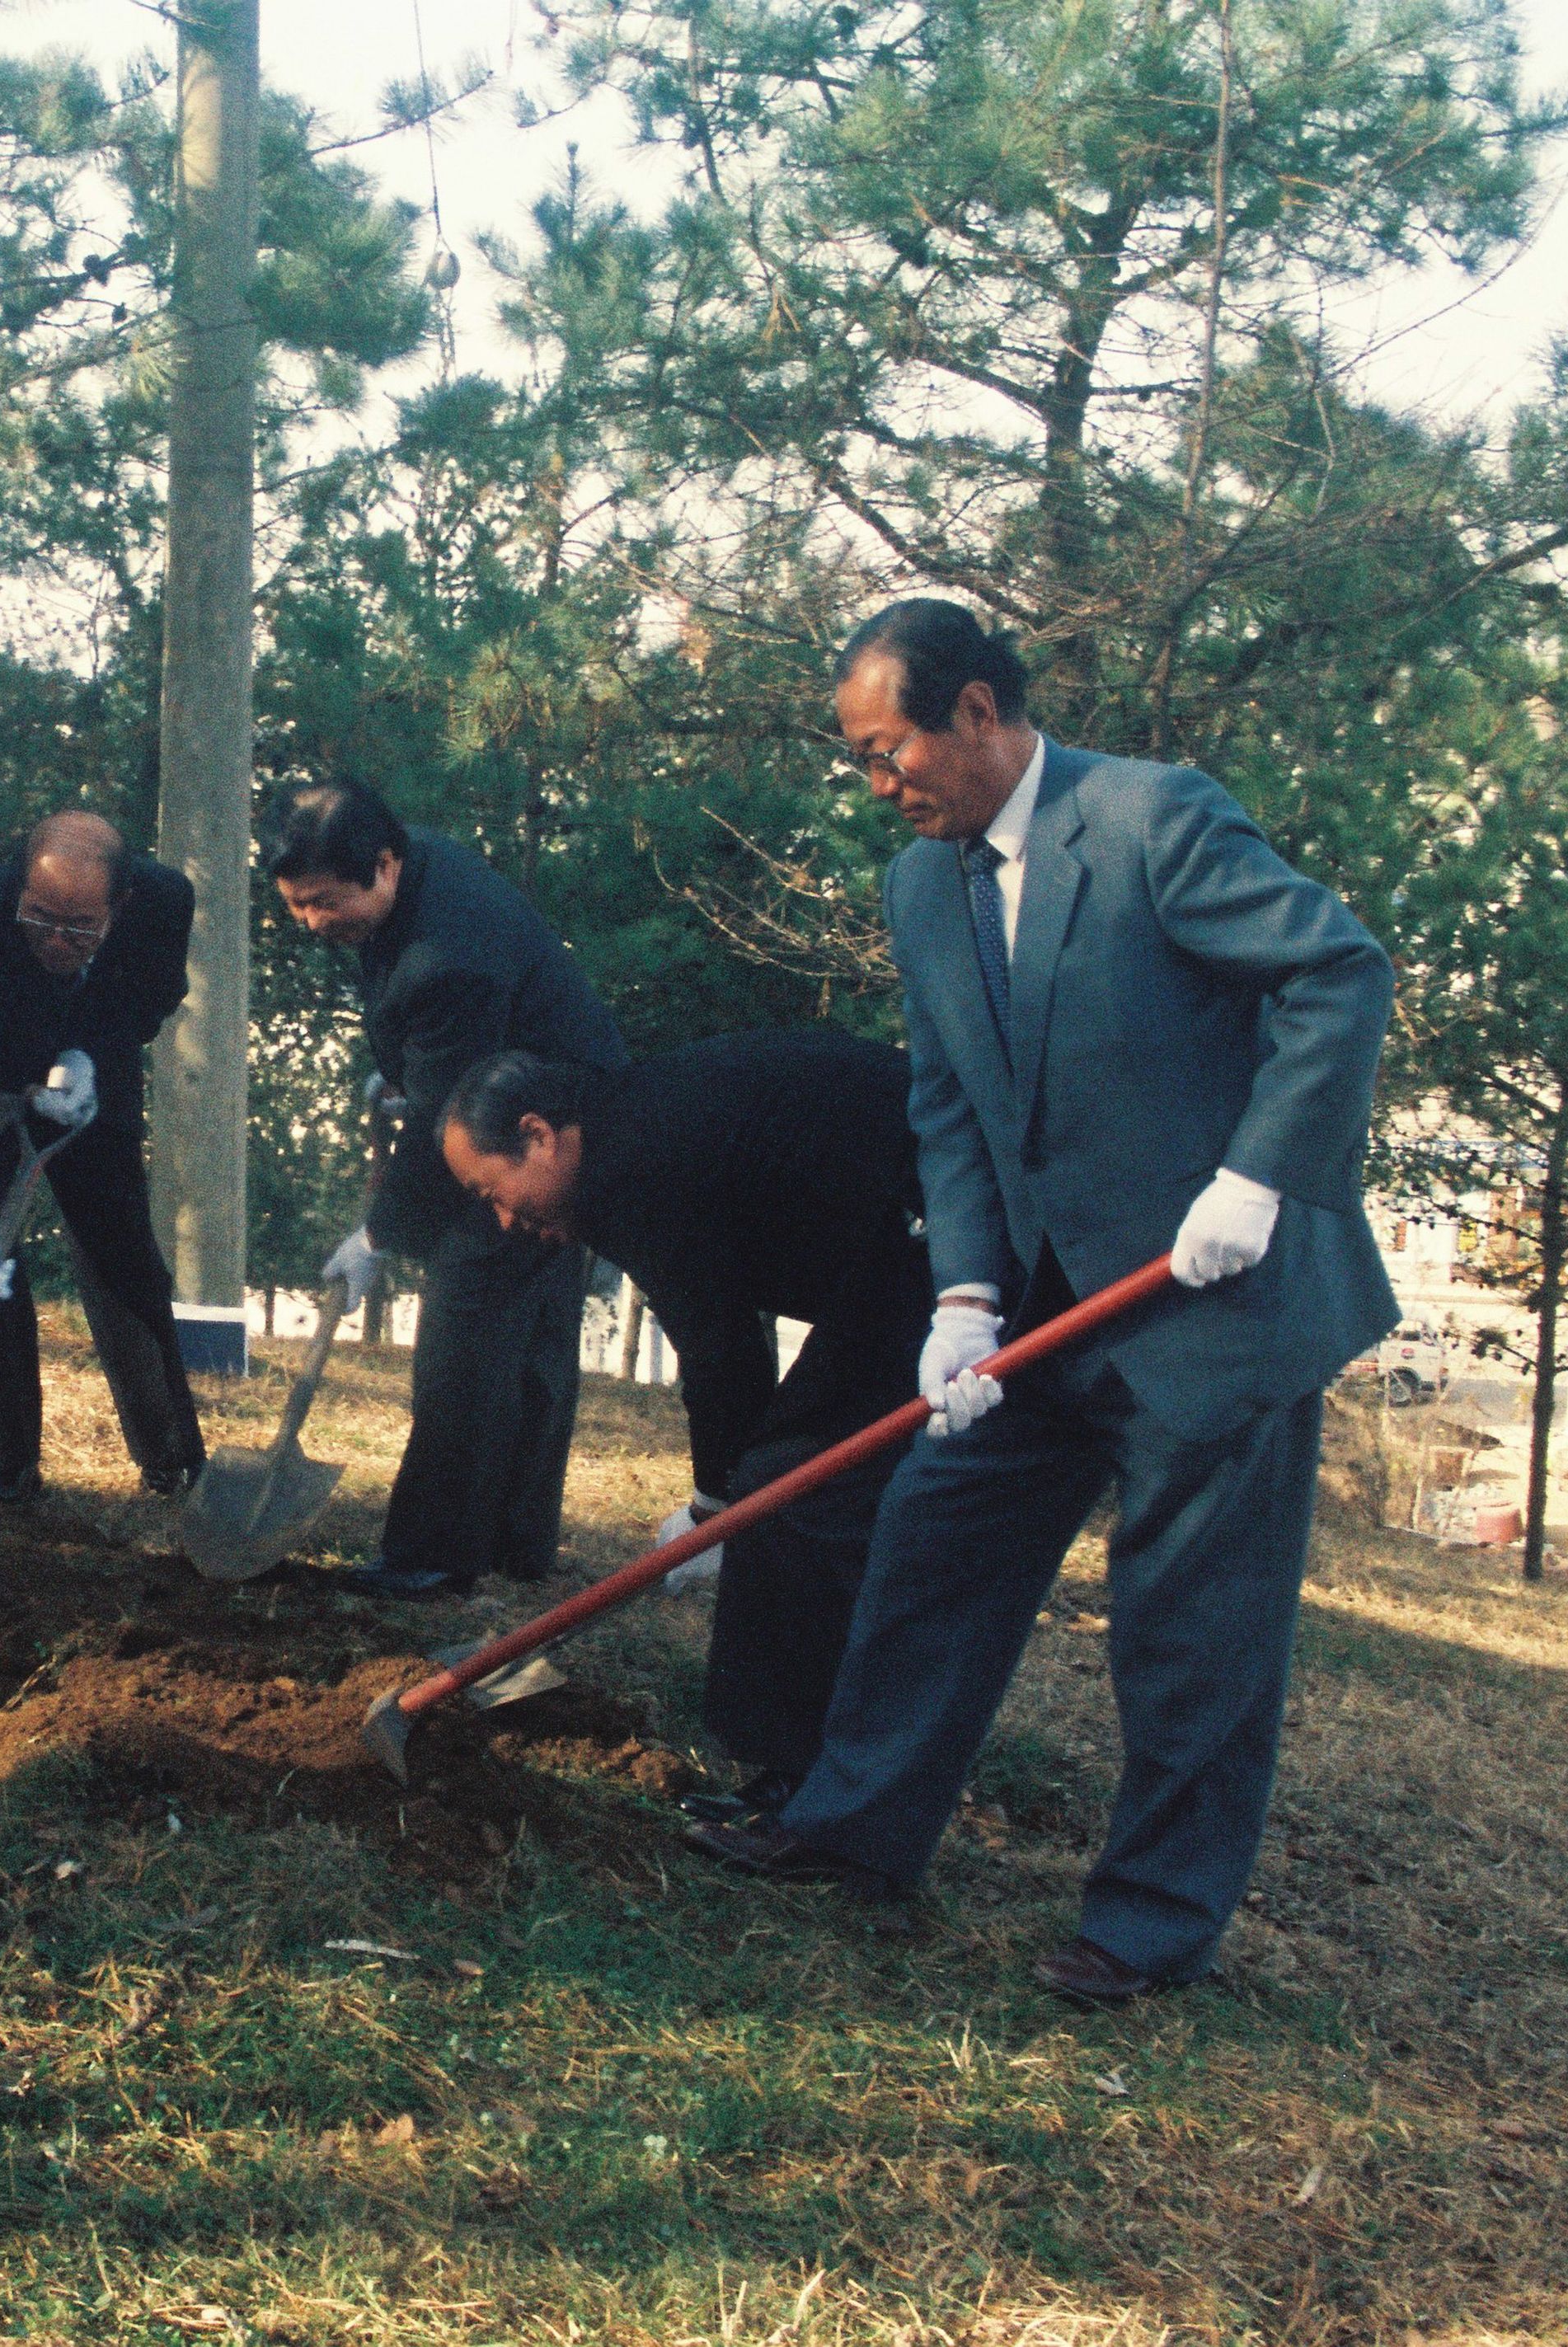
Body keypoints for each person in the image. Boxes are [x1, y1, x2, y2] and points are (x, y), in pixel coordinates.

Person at [693, 598, 1397, 2007]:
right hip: (1042, 1314)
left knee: (1189, 1631)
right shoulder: (922, 887)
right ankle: (854, 1828)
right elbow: (948, 1102)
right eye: (858, 758)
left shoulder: (1151, 822)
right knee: (931, 1543)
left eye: (888, 751)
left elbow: (1339, 971)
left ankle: (1147, 1925)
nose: (875, 784)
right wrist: (963, 1292)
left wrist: (1257, 1176)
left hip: (1213, 1302)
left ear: (974, 711)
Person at [438, 1037, 934, 1820]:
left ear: (537, 1134)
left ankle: (806, 1786)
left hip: (937, 1221)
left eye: (492, 1190)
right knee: (777, 1483)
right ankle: (796, 1766)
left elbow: (722, 1351)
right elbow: (734, 1340)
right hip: (891, 1242)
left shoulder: (631, 1167)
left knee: (791, 1495)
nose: (505, 1219)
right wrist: (722, 1499)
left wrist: (715, 1505)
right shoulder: (630, 1123)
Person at [267, 781, 627, 1599]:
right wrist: (399, 1069)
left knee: (465, 1327)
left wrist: (376, 1236)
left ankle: (430, 1555)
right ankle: (514, 1542)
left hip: (539, 1138)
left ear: (384, 865)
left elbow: (442, 1121)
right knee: (533, 1330)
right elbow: (437, 1066)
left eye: (324, 904)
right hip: (554, 1099)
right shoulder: (413, 864)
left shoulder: (446, 960)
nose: (312, 924)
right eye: (295, 906)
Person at [0, 810, 208, 1503]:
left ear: (120, 907)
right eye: (39, 919)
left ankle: (172, 1457)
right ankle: (11, 1465)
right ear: (18, 888)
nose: (55, 941)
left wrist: (88, 1053)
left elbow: (152, 995)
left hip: (87, 1074)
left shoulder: (163, 902)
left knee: (123, 1256)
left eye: (80, 928)